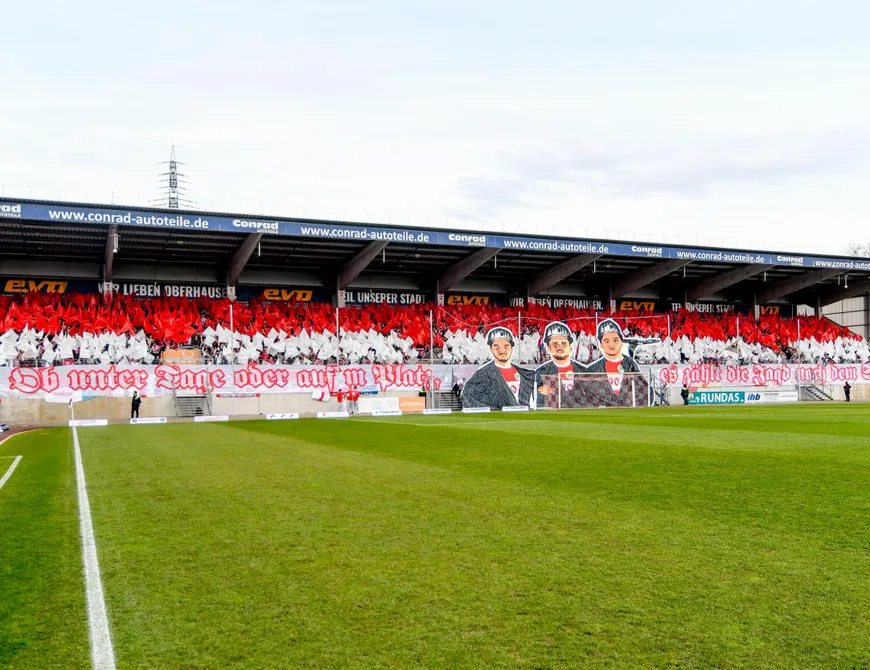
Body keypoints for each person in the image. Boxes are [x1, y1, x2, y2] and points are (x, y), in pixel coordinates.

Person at [461, 326, 535, 410]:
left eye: (506, 346)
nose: (502, 350)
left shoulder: (523, 373)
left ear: (512, 348)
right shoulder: (483, 374)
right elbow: (468, 396)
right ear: (491, 349)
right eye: (497, 346)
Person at [584, 319, 643, 407]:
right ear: (600, 345)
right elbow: (587, 394)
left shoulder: (630, 365)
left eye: (615, 340)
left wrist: (637, 404)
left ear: (621, 342)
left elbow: (644, 389)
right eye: (607, 341)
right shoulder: (593, 369)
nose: (612, 345)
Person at [535, 321, 586, 408]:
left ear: (570, 347)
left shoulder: (584, 371)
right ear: (548, 348)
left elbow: (588, 399)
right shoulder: (541, 372)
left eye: (563, 343)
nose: (559, 347)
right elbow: (540, 402)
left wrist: (555, 392)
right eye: (555, 343)